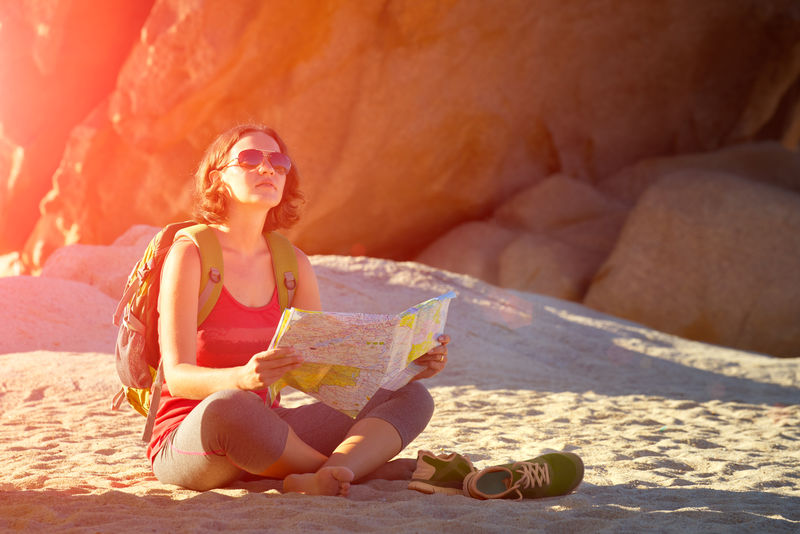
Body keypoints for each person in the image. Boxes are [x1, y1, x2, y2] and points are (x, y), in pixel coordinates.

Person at [148, 124, 450, 496]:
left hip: (270, 433)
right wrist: (243, 377)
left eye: (278, 161)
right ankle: (353, 470)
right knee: (231, 405)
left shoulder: (293, 265)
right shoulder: (189, 253)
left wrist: (407, 365)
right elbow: (177, 377)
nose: (267, 169)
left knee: (411, 396)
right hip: (197, 434)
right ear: (218, 178)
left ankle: (330, 475)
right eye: (249, 158)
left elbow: (320, 374)